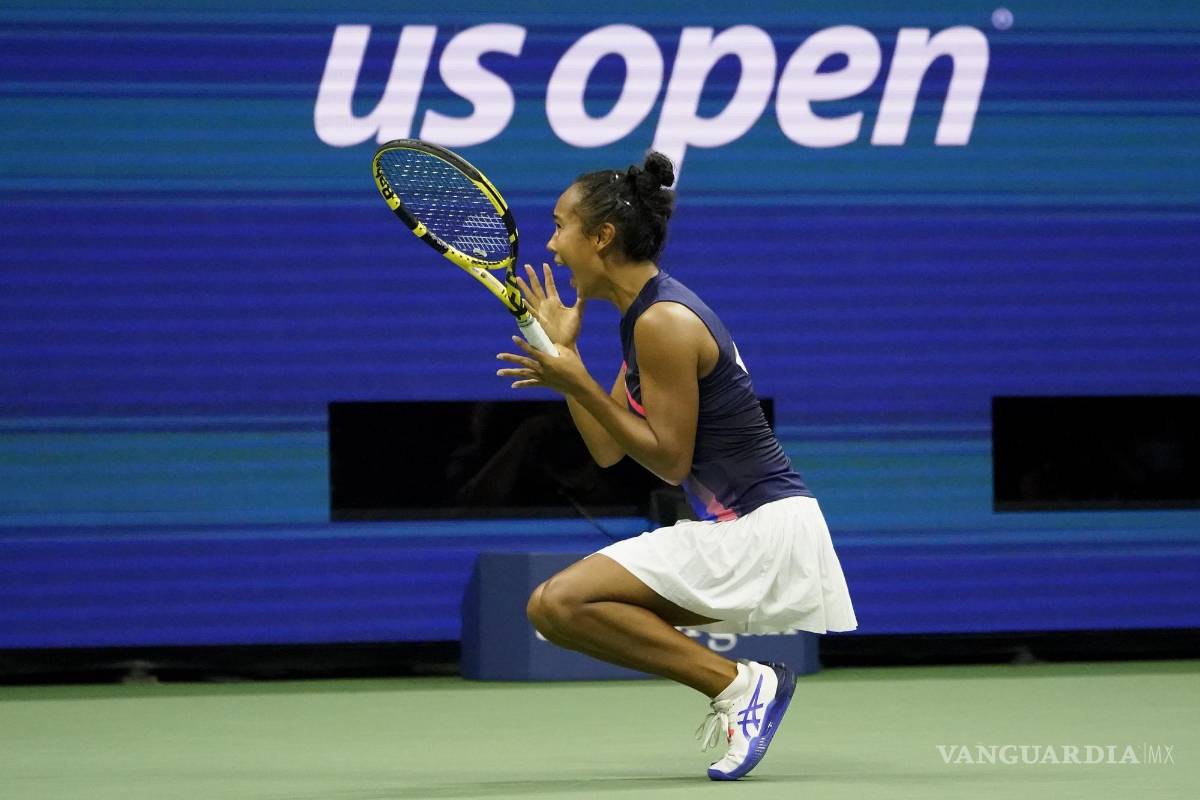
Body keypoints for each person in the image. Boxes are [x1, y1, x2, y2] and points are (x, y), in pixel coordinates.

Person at [495, 152, 857, 781]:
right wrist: (568, 362)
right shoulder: (644, 318)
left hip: (761, 528)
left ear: (601, 236)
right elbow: (612, 448)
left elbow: (667, 460)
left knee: (558, 604)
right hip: (745, 529)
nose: (551, 245)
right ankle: (740, 687)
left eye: (559, 227)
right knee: (558, 608)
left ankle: (740, 687)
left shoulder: (663, 321)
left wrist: (575, 376)